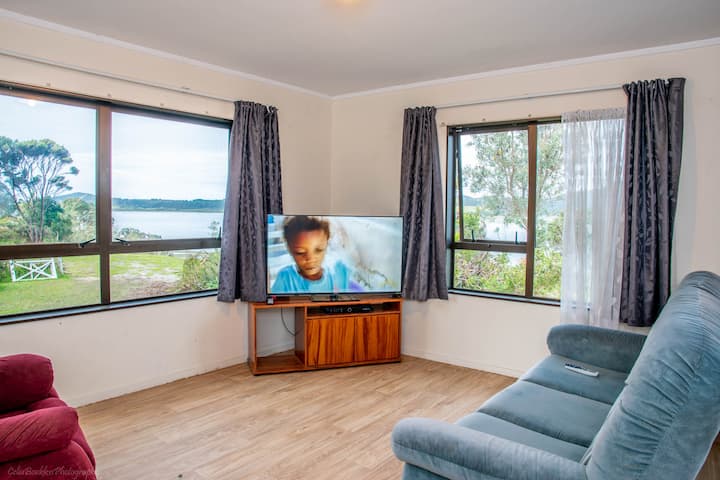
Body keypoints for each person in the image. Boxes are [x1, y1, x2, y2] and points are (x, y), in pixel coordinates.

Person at [271, 215, 357, 294]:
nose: (310, 258)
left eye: (319, 250)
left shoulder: (339, 271)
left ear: (326, 244)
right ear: (289, 249)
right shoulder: (285, 279)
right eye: (300, 252)